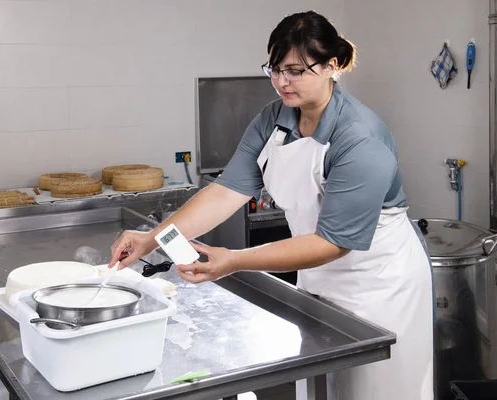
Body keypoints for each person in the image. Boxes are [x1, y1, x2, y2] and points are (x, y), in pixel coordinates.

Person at [110, 10, 433, 400]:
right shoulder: (273, 119)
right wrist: (155, 239)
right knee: (319, 388)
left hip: (379, 284)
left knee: (375, 391)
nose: (282, 82)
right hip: (317, 276)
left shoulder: (359, 139)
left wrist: (234, 259)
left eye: (295, 70)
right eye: (275, 69)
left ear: (331, 66)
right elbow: (227, 190)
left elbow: (333, 242)